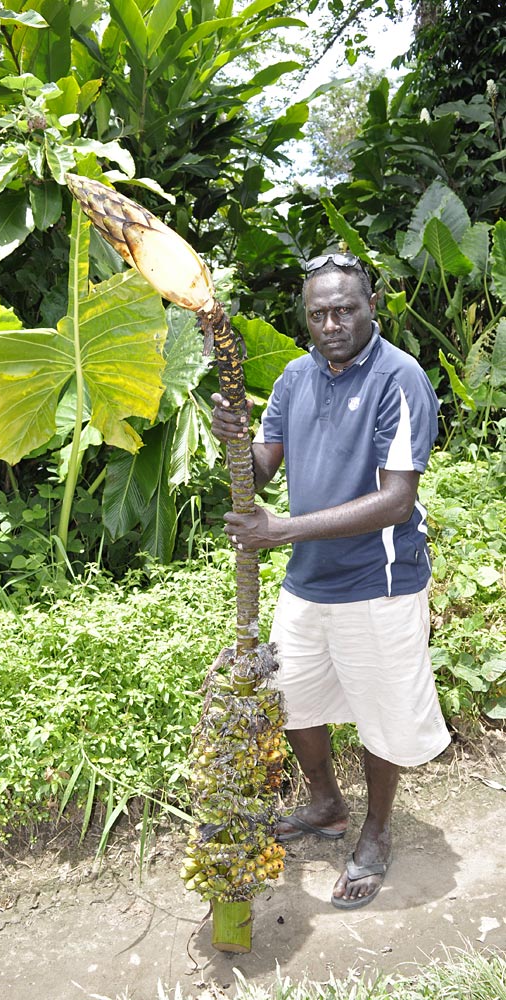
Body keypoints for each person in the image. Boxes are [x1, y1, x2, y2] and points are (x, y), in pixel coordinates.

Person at [210, 252, 449, 911]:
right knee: (292, 700)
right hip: (307, 582)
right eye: (319, 314)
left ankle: (375, 833)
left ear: (372, 306)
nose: (333, 323)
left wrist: (280, 531)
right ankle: (325, 805)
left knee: (381, 717)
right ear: (307, 319)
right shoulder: (293, 378)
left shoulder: (400, 380)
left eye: (345, 309)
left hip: (380, 582)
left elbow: (397, 499)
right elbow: (260, 469)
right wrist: (231, 438)